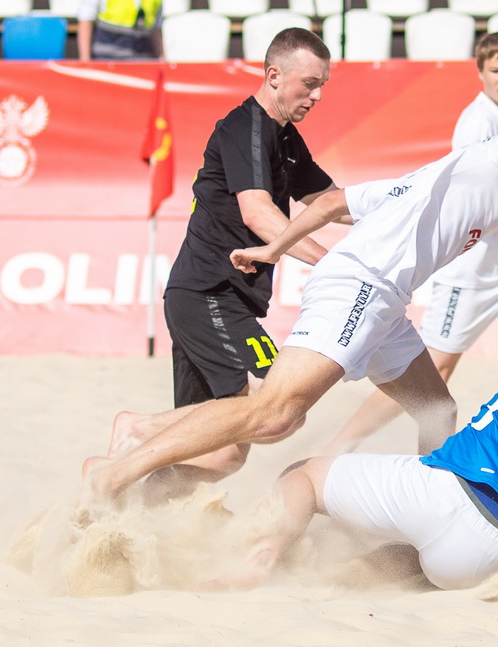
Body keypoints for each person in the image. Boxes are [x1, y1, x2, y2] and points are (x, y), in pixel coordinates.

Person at [83, 108, 498, 502]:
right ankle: (118, 470)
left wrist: (273, 249)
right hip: (362, 287)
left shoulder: (451, 180)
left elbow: (328, 203)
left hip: (383, 300)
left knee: (436, 408)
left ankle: (432, 507)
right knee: (274, 415)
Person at [324, 31, 498, 455]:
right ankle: (337, 447)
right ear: (481, 73)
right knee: (429, 374)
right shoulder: (478, 122)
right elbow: (473, 193)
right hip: (468, 275)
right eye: (497, 70)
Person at [201, 332, 498, 596]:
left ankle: (262, 561)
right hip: (481, 558)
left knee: (304, 474)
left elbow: (497, 476)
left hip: (435, 491)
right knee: (414, 557)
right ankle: (333, 578)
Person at [106, 29, 341, 490]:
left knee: (222, 454)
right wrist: (332, 263)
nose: (317, 96)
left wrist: (403, 206)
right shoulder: (244, 127)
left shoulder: (286, 139)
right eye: (310, 84)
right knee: (277, 404)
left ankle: (127, 500)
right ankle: (137, 427)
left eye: (322, 86)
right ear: (274, 75)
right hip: (208, 294)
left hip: (217, 300)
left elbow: (332, 201)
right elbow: (259, 214)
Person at [77, 0, 164, 61]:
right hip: (107, 61)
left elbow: (156, 29)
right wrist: (86, 62)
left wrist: (161, 58)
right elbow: (86, 20)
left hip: (141, 61)